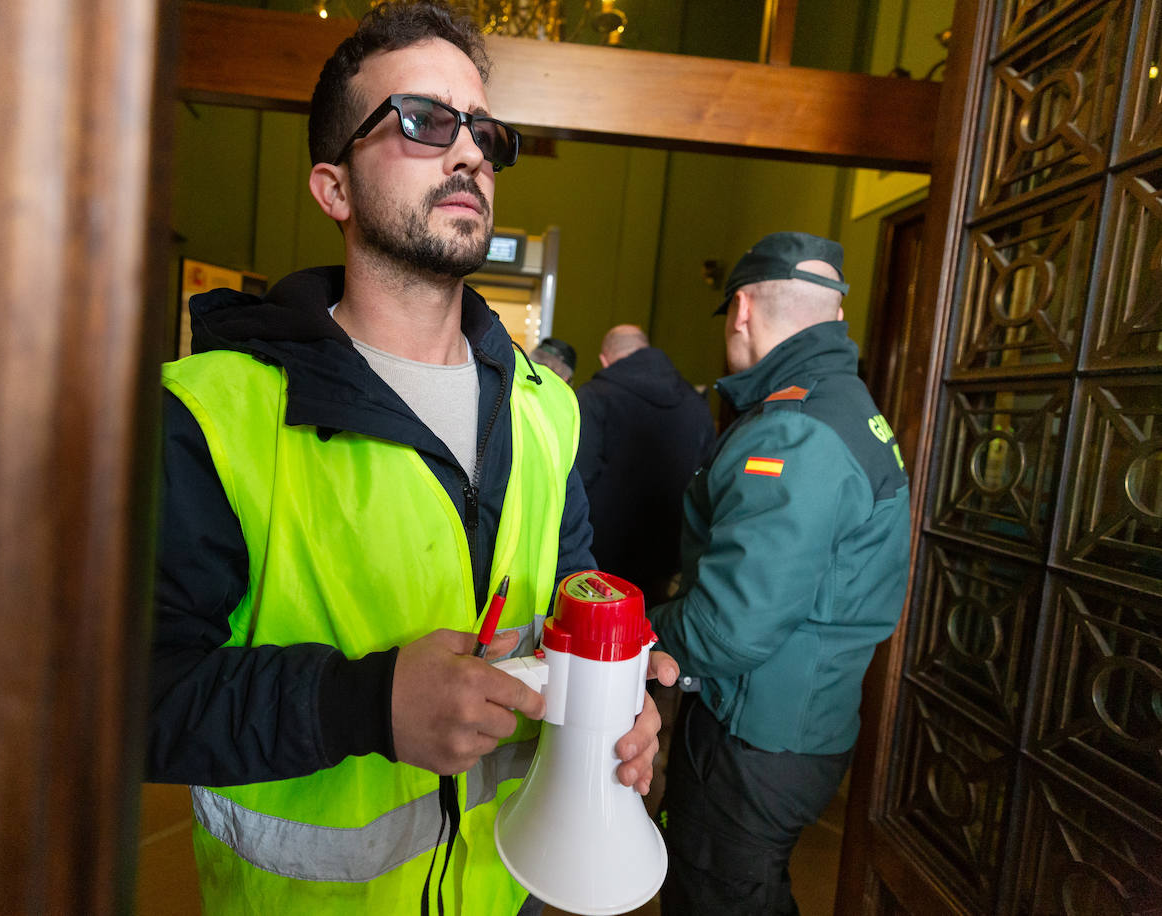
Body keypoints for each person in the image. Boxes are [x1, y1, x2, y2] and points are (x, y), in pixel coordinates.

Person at [144, 4, 676, 913]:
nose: (468, 153)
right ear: (334, 188)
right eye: (425, 122)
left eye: (484, 132)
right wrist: (366, 703)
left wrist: (617, 692)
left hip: (508, 883)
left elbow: (571, 592)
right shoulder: (213, 411)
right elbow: (136, 696)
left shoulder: (546, 410)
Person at [648, 232, 911, 915]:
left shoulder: (796, 430)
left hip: (756, 734)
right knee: (747, 890)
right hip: (801, 723)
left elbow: (731, 624)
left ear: (740, 310)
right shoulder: (843, 408)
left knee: (719, 895)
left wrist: (646, 636)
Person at [576, 324, 716, 607]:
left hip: (599, 565)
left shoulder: (593, 397)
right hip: (668, 560)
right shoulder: (695, 403)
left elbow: (577, 479)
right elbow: (706, 483)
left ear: (605, 359)